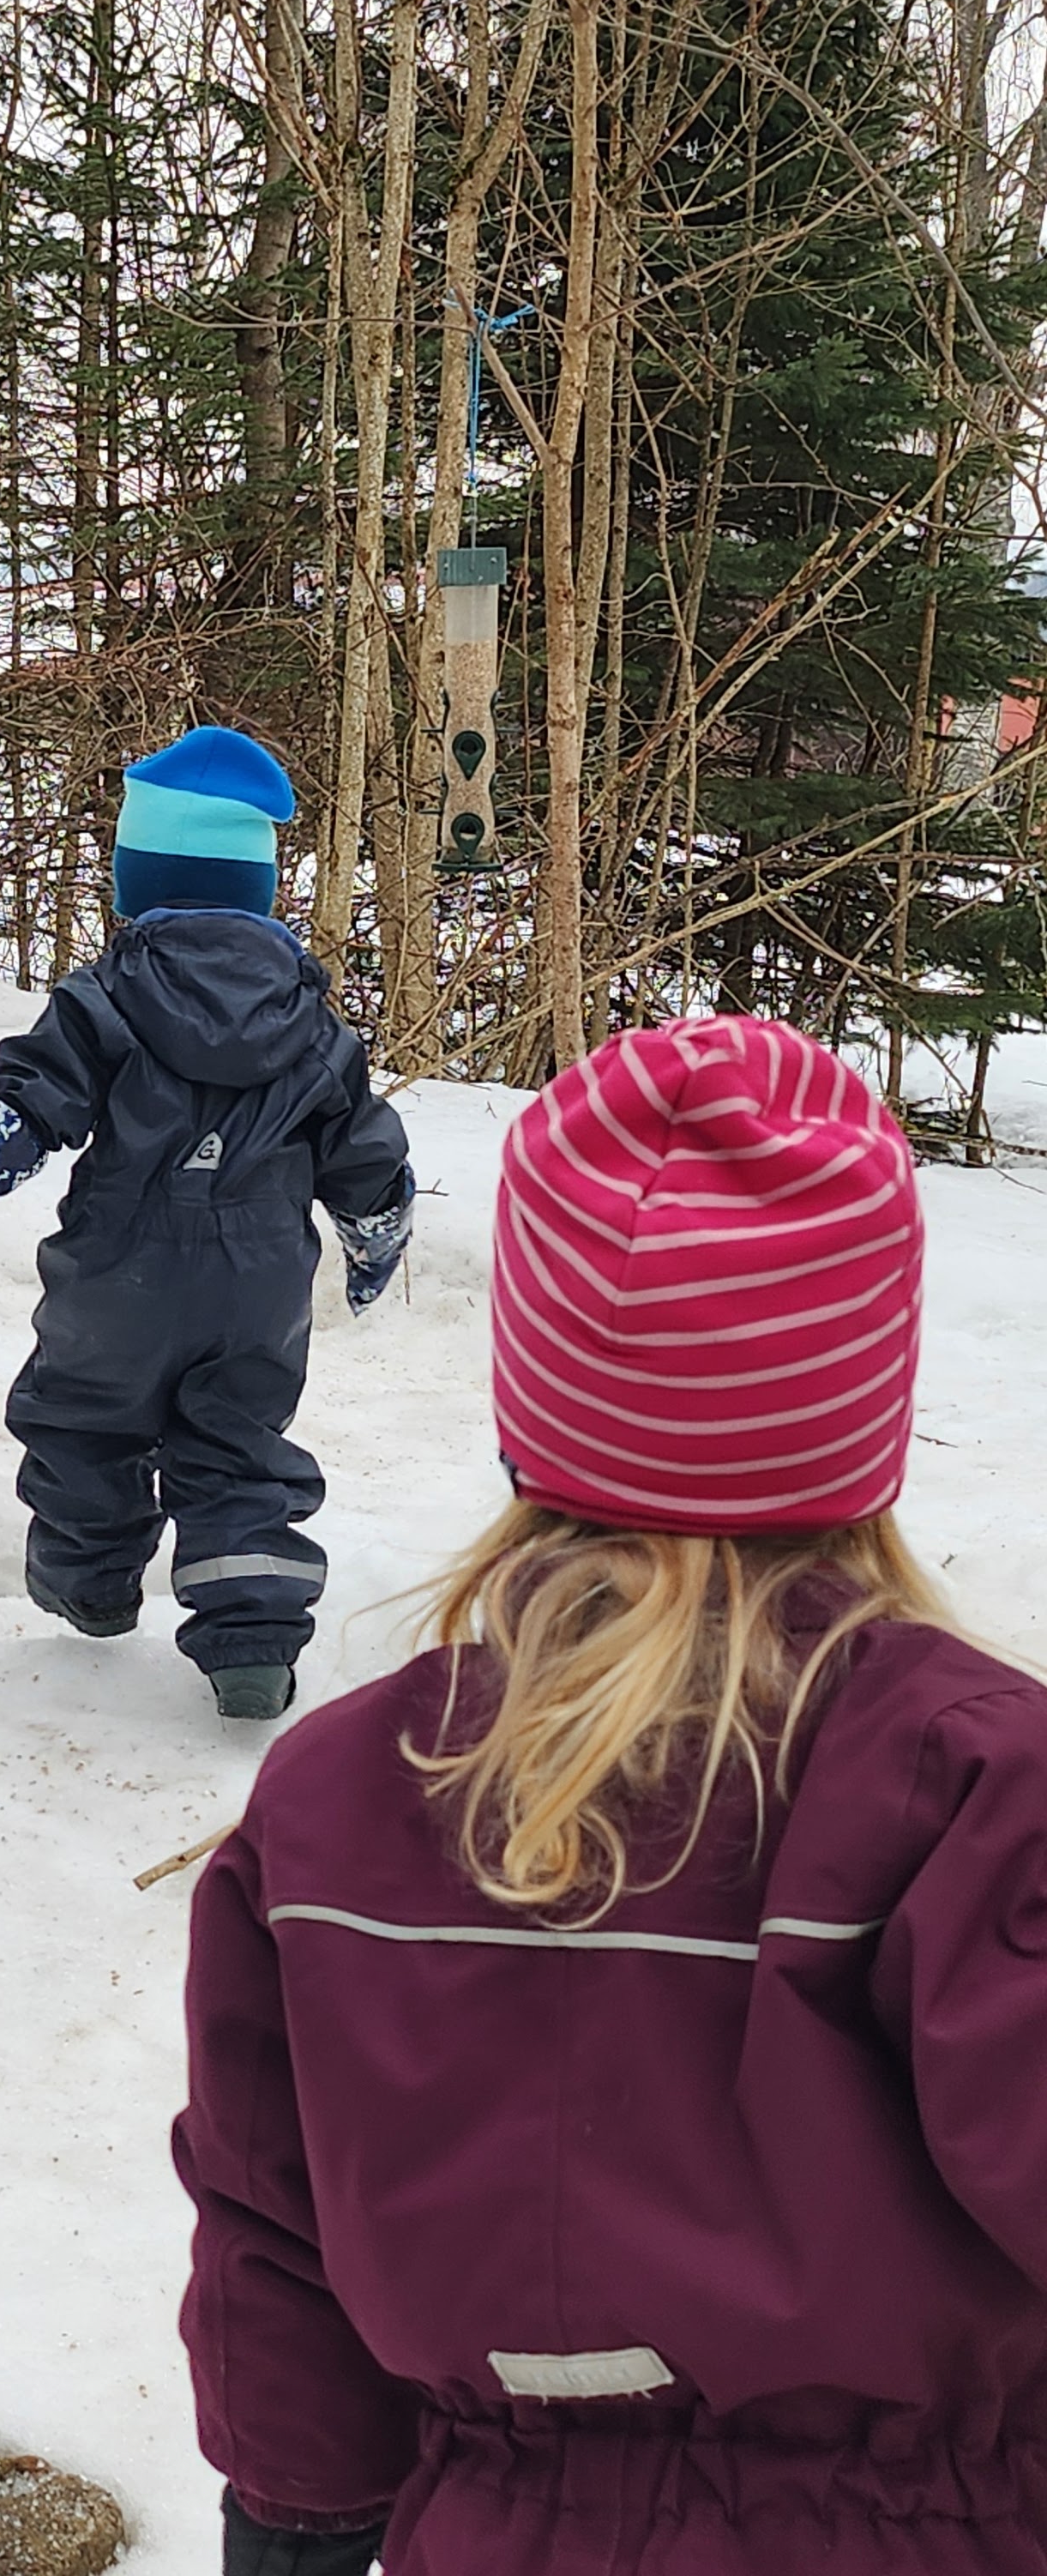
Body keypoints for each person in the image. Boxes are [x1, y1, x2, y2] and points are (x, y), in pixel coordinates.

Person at [176, 1011, 1047, 2575]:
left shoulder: (343, 1794)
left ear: (537, 1408)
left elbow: (273, 2233)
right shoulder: (976, 1785)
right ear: (862, 1407)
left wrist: (291, 2527)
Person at [0, 725, 412, 1723]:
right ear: (256, 887)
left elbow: (28, 1105)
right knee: (237, 1443)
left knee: (82, 1421)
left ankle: (89, 1582)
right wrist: (376, 1231)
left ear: (141, 881)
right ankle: (252, 1634)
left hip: (116, 1278)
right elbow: (365, 1151)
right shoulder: (313, 1023)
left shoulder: (108, 997)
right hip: (257, 1290)